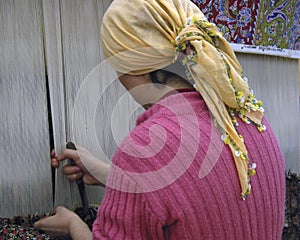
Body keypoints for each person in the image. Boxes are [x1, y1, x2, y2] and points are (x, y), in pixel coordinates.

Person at [34, 0, 286, 239]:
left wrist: (73, 225)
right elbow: (197, 197)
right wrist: (113, 176)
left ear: (131, 64)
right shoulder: (252, 119)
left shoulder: (145, 150)